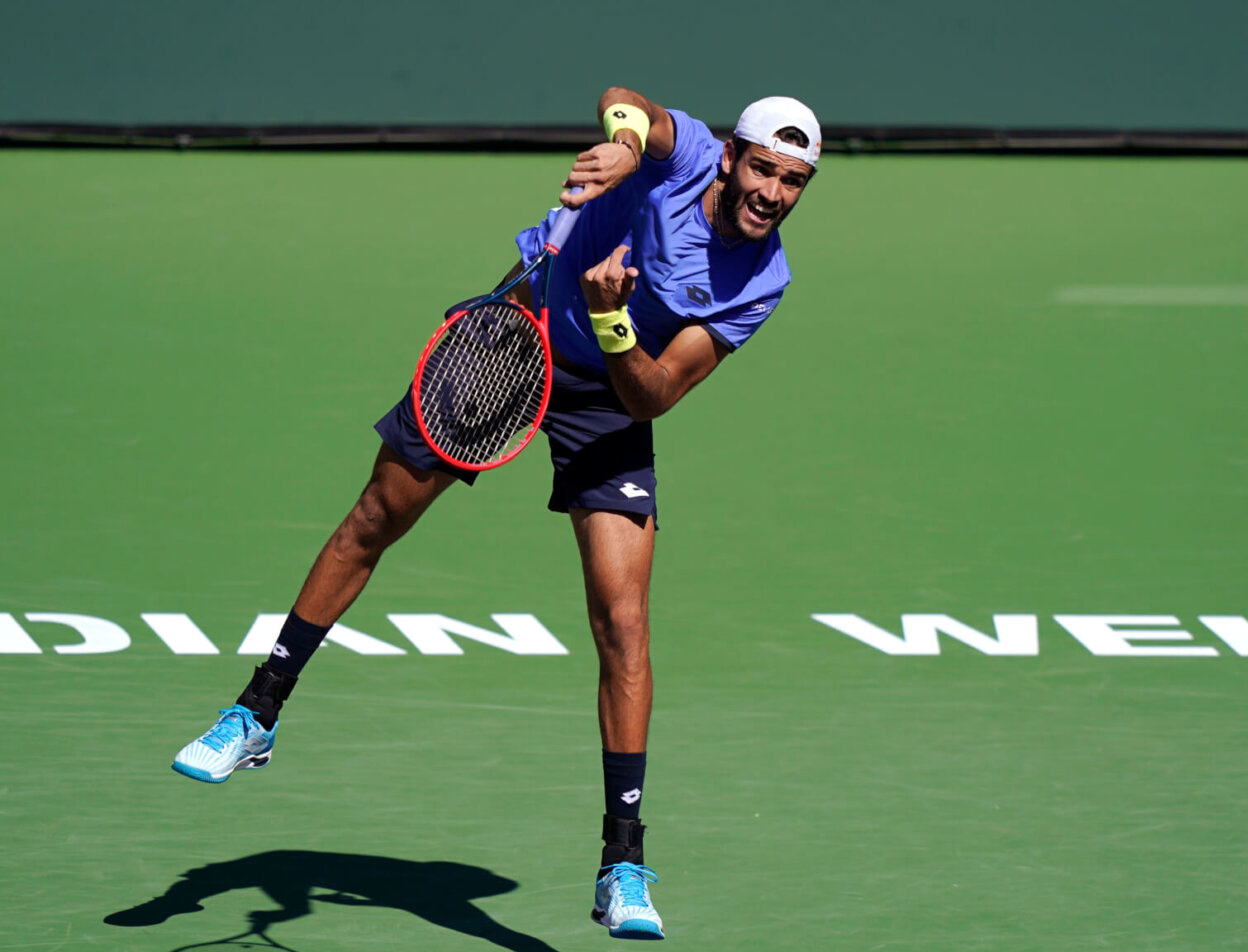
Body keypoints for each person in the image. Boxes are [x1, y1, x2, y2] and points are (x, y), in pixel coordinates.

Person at [169, 88, 822, 941]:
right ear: (733, 157)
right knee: (376, 518)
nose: (773, 192)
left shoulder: (764, 279)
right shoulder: (687, 151)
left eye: (795, 180)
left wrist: (616, 322)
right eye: (765, 168)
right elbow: (626, 104)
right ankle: (256, 713)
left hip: (612, 390)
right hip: (521, 330)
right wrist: (626, 145)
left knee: (624, 623)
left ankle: (620, 864)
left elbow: (656, 394)